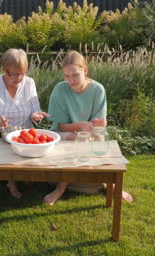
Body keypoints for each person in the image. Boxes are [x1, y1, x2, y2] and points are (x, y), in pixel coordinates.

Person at [44, 51, 133, 205]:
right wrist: (81, 126)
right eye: (66, 76)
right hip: (63, 133)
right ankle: (61, 188)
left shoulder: (98, 89)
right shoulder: (60, 90)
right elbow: (62, 127)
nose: (70, 80)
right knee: (78, 140)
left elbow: (98, 125)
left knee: (99, 139)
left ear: (85, 71)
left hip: (89, 132)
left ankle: (110, 183)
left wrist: (100, 124)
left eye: (75, 75)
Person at [0, 48, 49, 200]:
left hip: (22, 134)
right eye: (14, 74)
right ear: (4, 70)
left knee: (20, 150)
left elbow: (34, 109)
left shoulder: (29, 83)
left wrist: (36, 115)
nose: (19, 78)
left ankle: (12, 180)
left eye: (22, 73)